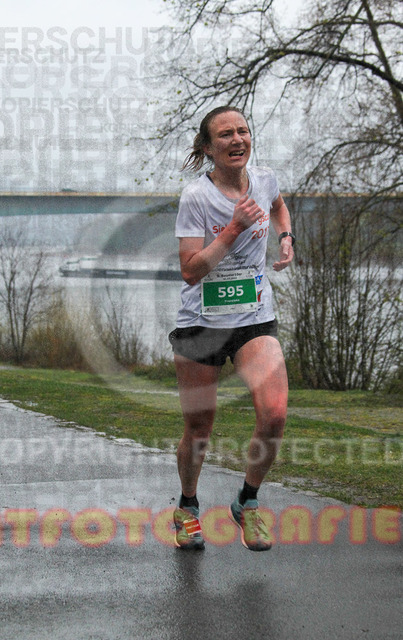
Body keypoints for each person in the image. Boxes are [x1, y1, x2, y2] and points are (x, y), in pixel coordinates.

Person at [168, 106, 295, 551]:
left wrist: (285, 237)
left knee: (274, 413)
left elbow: (278, 206)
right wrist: (234, 229)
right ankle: (187, 506)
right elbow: (190, 271)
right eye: (225, 134)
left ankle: (248, 500)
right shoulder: (196, 198)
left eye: (243, 131)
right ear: (208, 147)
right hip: (201, 322)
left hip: (253, 317)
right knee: (199, 428)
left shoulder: (265, 179)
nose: (237, 139)